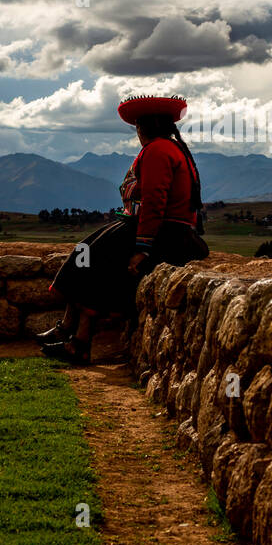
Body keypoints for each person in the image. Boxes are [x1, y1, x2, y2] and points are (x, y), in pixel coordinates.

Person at [39, 95, 208, 364]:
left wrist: (143, 248)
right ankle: (70, 329)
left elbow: (154, 201)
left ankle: (78, 341)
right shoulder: (171, 149)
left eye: (138, 127)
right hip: (165, 229)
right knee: (86, 253)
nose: (137, 133)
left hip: (163, 232)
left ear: (145, 128)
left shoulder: (158, 151)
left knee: (94, 262)